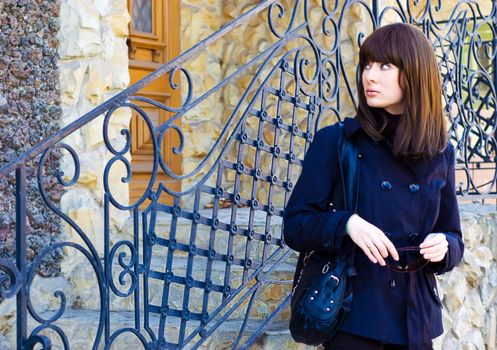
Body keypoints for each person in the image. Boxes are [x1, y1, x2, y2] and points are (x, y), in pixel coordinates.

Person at [283, 23, 464, 350]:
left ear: (415, 73)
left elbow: (452, 235)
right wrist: (347, 224)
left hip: (415, 323)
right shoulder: (337, 142)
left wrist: (444, 245)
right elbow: (295, 226)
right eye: (367, 65)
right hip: (356, 318)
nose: (370, 76)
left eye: (384, 66)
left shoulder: (440, 153)